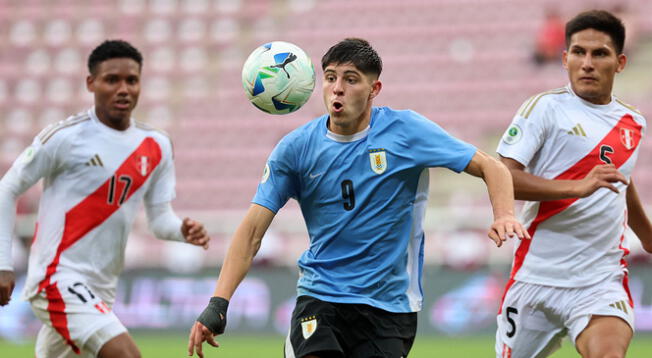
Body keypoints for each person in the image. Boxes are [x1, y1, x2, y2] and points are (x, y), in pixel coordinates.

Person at [188, 38, 529, 358]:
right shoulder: (295, 150)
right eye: (331, 77)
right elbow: (251, 233)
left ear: (374, 89)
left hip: (389, 308)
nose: (338, 88)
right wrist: (218, 302)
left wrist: (503, 214)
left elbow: (491, 166)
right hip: (320, 298)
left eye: (351, 79)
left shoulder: (405, 131)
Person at [0, 39, 211, 358]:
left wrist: (181, 229)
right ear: (91, 83)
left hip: (102, 286)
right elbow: (7, 189)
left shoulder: (156, 145)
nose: (123, 89)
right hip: (57, 278)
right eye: (112, 80)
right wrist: (2, 265)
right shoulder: (65, 138)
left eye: (131, 80)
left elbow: (159, 220)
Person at [495, 10, 652, 358]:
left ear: (620, 62)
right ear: (565, 59)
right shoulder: (544, 108)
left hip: (599, 280)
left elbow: (619, 183)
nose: (587, 63)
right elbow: (503, 177)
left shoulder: (632, 122)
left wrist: (647, 234)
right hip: (536, 277)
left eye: (600, 54)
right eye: (579, 52)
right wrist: (575, 187)